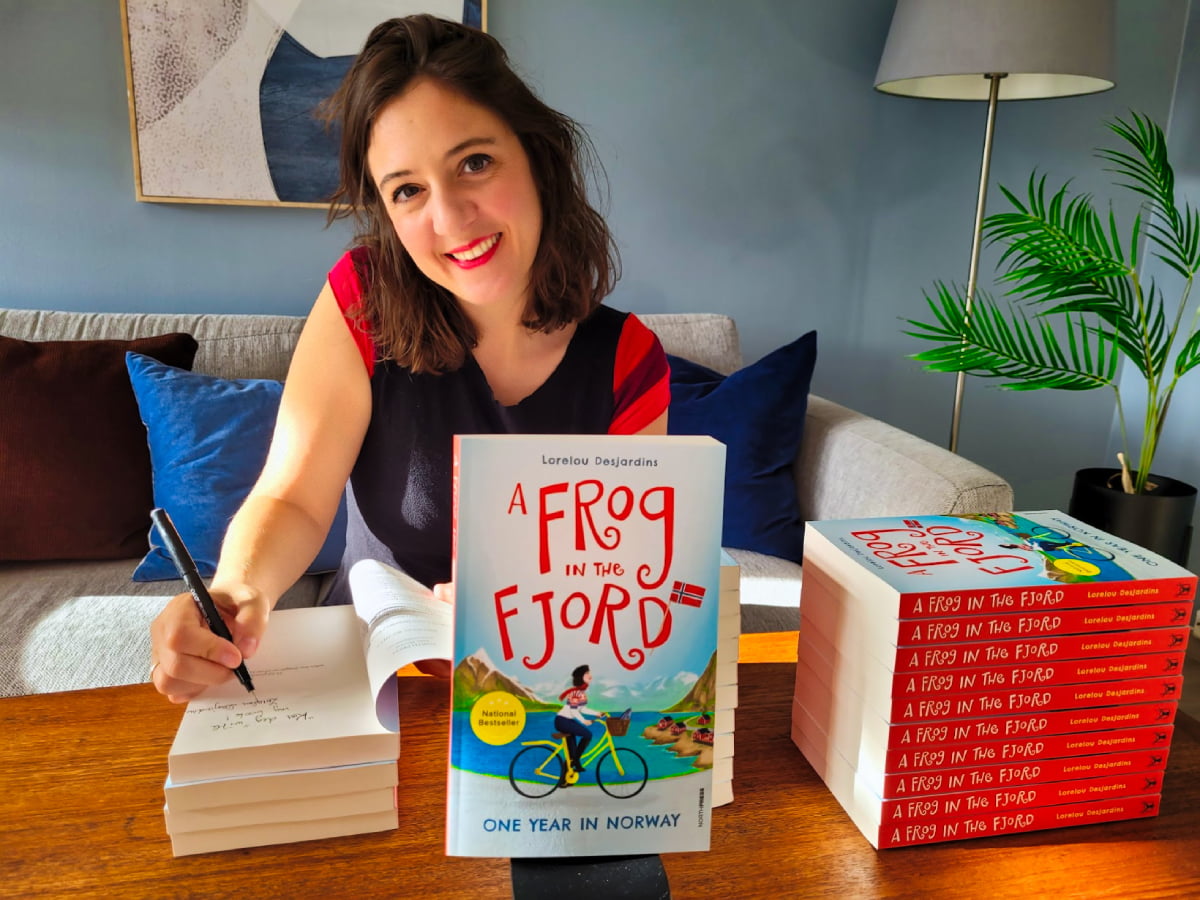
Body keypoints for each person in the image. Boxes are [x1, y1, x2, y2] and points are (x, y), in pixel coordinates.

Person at [148, 15, 669, 703]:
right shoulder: (362, 301)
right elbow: (293, 497)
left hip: (545, 684)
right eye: (407, 190)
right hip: (379, 675)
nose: (449, 218)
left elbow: (624, 580)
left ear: (537, 157)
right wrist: (238, 591)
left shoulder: (630, 360)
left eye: (474, 163)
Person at [554, 664, 605, 783]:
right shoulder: (576, 693)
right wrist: (584, 721)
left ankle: (563, 780)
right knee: (588, 735)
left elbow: (582, 709)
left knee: (571, 755)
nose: (590, 676)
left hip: (567, 721)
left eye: (589, 673)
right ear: (581, 677)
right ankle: (577, 761)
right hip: (563, 721)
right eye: (587, 674)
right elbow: (573, 710)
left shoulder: (580, 692)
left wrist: (597, 713)